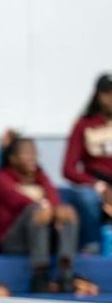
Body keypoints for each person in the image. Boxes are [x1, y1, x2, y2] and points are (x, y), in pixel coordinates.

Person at [0, 137, 81, 294]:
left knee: (67, 212)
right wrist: (47, 208)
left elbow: (54, 197)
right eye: (27, 153)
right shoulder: (1, 178)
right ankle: (39, 274)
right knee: (36, 209)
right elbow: (18, 201)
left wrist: (57, 210)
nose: (33, 157)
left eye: (34, 153)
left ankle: (65, 272)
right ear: (12, 158)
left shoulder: (41, 176)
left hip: (43, 236)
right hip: (14, 240)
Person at [61, 73, 112, 251]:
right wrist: (98, 186)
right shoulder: (84, 125)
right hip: (95, 183)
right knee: (87, 198)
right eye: (107, 93)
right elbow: (68, 169)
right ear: (98, 95)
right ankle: (92, 245)